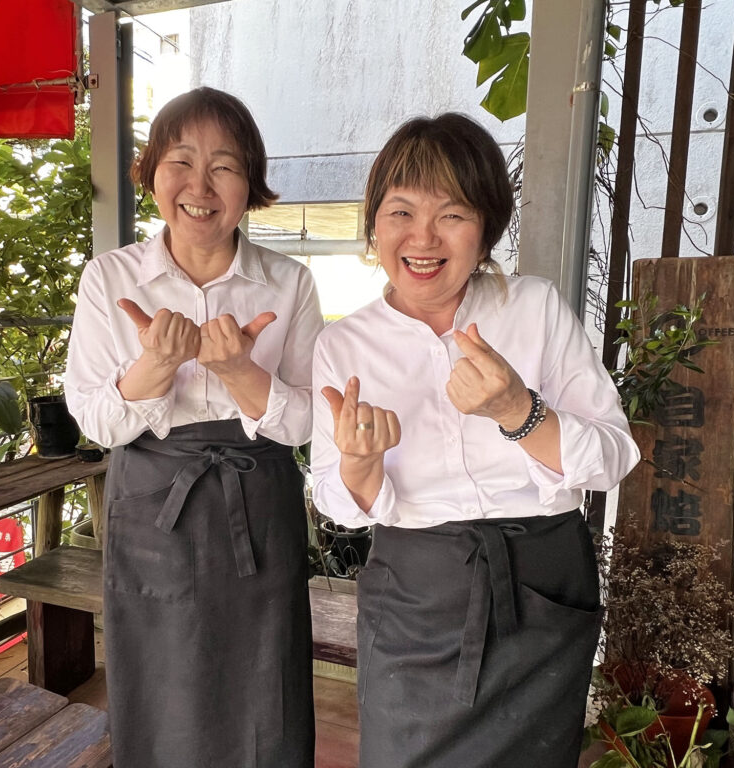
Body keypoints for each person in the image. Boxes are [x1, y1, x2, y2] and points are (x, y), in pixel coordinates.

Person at [310, 113, 640, 768]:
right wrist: (359, 463)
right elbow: (338, 503)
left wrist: (518, 410)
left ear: (486, 228)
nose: (422, 238)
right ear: (374, 225)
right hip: (417, 591)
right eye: (400, 211)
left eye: (451, 215)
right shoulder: (344, 345)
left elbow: (613, 457)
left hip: (542, 583)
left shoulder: (535, 308)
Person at [65, 87, 323, 768]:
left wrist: (240, 371)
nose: (200, 186)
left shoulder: (287, 283)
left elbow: (307, 419)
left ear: (251, 185)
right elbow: (93, 417)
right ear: (151, 173)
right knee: (162, 677)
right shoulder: (110, 279)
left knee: (264, 679)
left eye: (225, 167)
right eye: (180, 161)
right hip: (154, 503)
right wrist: (154, 367)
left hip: (257, 496)